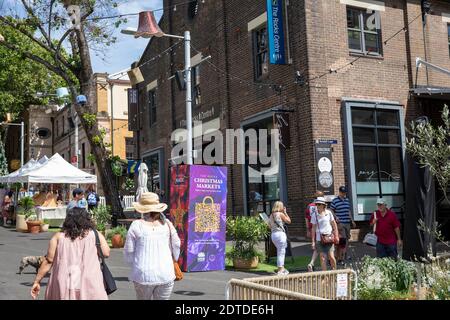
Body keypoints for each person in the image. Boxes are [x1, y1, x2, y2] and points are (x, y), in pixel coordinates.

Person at [30, 207, 110, 300]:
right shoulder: (95, 234)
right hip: (90, 281)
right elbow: (106, 253)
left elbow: (49, 261)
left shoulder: (58, 237)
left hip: (64, 282)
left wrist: (37, 281)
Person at [124, 192, 181, 300]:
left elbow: (129, 252)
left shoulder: (136, 225)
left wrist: (134, 264)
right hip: (166, 272)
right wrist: (174, 258)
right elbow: (176, 243)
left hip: (143, 274)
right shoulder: (167, 224)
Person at [311, 197, 339, 271]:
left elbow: (334, 225)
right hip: (319, 239)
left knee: (331, 257)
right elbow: (313, 228)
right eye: (316, 204)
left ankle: (334, 272)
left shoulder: (329, 213)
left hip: (329, 237)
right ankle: (325, 276)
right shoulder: (314, 215)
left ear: (324, 205)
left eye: (319, 204)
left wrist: (336, 236)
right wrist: (313, 242)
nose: (317, 206)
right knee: (322, 258)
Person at [330, 186, 355, 261]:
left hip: (347, 222)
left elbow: (348, 211)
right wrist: (335, 217)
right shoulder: (335, 201)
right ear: (339, 192)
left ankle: (345, 255)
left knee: (347, 239)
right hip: (340, 223)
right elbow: (331, 210)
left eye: (344, 192)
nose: (344, 194)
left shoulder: (347, 200)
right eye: (342, 192)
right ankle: (341, 257)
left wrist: (352, 220)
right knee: (342, 239)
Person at [268, 201, 291, 275]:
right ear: (280, 206)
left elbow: (269, 226)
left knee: (279, 252)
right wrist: (285, 212)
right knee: (281, 252)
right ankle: (280, 270)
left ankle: (281, 268)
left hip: (273, 235)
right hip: (280, 234)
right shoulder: (280, 214)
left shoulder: (271, 215)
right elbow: (289, 221)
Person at [305, 191, 324, 271]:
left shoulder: (309, 206)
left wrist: (308, 230)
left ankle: (313, 263)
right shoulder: (321, 206)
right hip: (321, 228)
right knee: (321, 246)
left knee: (318, 246)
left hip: (312, 228)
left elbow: (306, 218)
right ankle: (313, 263)